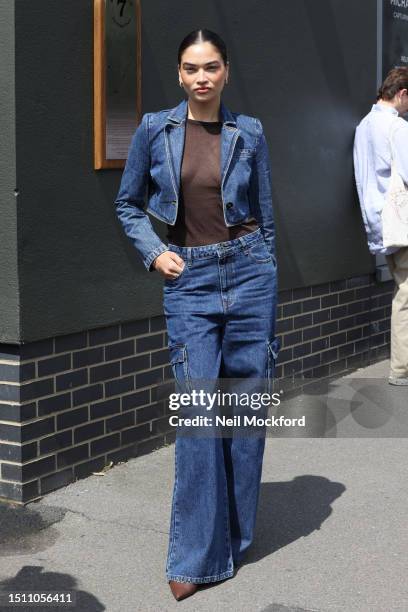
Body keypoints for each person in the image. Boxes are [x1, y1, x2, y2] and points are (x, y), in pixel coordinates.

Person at [114, 28, 279, 601]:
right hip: (191, 281)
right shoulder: (155, 130)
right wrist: (155, 251)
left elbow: (265, 215)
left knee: (245, 413)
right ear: (180, 74)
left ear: (226, 71)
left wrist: (268, 274)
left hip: (251, 272)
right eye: (191, 68)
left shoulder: (249, 132)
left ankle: (234, 537)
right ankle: (195, 557)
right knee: (199, 416)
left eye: (211, 67)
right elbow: (127, 204)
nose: (201, 77)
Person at [353, 66, 408, 386]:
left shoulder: (364, 126)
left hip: (381, 222)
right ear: (402, 93)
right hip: (402, 220)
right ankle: (401, 369)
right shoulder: (397, 127)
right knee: (406, 294)